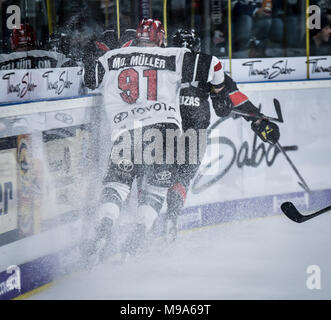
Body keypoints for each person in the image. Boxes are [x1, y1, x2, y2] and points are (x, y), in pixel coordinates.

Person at [82, 18, 280, 263]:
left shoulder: (158, 57)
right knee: (173, 180)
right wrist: (256, 119)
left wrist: (101, 47)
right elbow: (230, 92)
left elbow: (94, 72)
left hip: (139, 129)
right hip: (180, 132)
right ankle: (166, 225)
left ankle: (118, 229)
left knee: (135, 178)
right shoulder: (183, 60)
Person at [165, 27, 280, 240]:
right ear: (197, 47)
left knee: (154, 176)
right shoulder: (206, 64)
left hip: (164, 125)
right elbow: (233, 96)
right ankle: (171, 221)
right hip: (194, 126)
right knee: (181, 177)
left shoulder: (160, 62)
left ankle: (143, 223)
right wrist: (257, 119)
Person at [0, 23, 76, 69]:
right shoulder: (52, 56)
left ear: (12, 42)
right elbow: (75, 66)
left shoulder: (3, 59)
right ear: (34, 39)